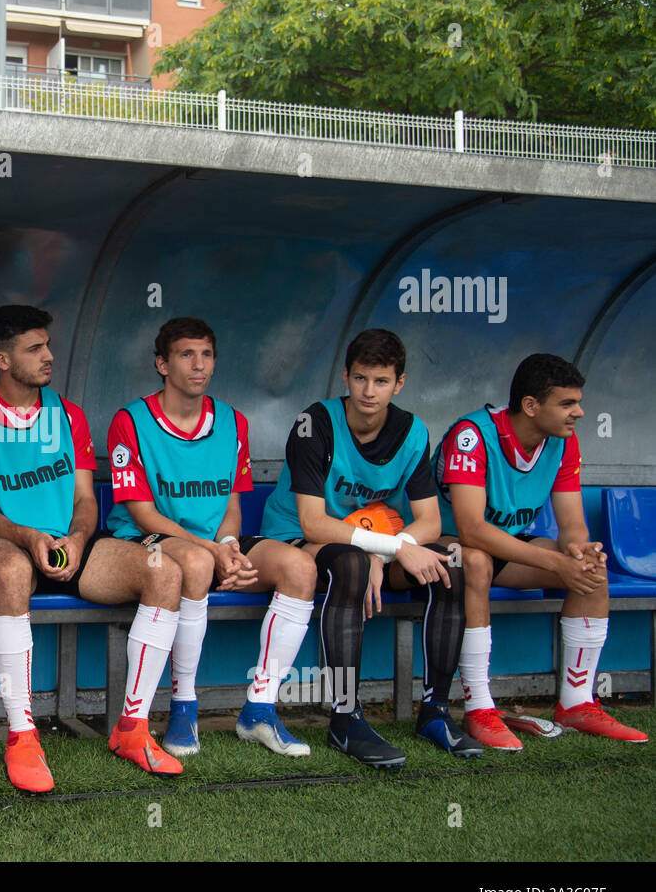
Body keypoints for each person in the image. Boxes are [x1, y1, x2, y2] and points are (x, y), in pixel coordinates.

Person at [0, 306, 188, 789]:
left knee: (164, 572)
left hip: (75, 542)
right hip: (8, 541)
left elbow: (86, 498)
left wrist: (75, 536)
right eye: (35, 348)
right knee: (8, 571)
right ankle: (22, 735)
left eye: (48, 344)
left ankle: (132, 729)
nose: (50, 356)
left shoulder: (68, 414)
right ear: (2, 359)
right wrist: (28, 537)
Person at [260, 328, 480, 767]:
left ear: (399, 383)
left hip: (372, 542)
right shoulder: (314, 423)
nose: (368, 391)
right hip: (297, 539)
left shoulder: (413, 430)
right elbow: (313, 521)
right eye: (360, 379)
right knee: (352, 567)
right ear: (345, 377)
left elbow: (432, 522)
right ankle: (345, 718)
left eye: (381, 381)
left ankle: (435, 711)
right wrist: (383, 550)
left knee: (452, 567)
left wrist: (386, 552)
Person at [105, 317, 317, 758]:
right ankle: (184, 707)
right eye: (186, 354)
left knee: (301, 567)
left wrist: (232, 547)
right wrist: (212, 550)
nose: (198, 365)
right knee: (196, 564)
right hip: (149, 539)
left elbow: (232, 504)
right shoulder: (131, 420)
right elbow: (144, 516)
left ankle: (260, 707)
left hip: (217, 543)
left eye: (206, 355)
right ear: (162, 364)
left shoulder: (233, 422)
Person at [435, 353, 648, 749]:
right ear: (531, 406)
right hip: (444, 545)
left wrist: (580, 550)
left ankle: (577, 704)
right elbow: (472, 529)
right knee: (477, 561)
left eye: (578, 402)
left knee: (589, 571)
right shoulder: (473, 435)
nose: (579, 413)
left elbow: (571, 524)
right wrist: (554, 561)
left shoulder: (562, 442)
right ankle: (479, 707)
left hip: (509, 547)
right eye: (567, 404)